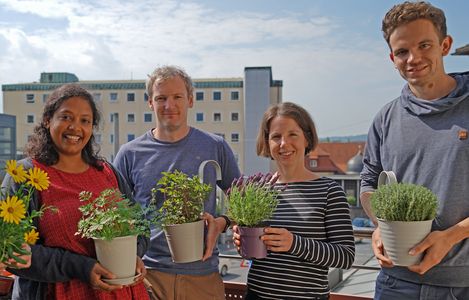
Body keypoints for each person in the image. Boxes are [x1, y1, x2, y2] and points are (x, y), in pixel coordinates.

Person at [360, 2, 469, 299]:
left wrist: (451, 236)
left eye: (424, 45)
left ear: (445, 45)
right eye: (402, 51)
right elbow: (369, 183)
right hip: (395, 283)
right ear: (392, 58)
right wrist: (380, 225)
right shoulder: (385, 118)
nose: (413, 58)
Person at [2, 84, 149, 300]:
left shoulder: (108, 173)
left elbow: (141, 228)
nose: (75, 127)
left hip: (123, 292)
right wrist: (81, 267)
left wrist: (132, 254)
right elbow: (10, 249)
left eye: (85, 121)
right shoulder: (25, 175)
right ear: (47, 120)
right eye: (66, 117)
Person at [114, 65, 241, 300]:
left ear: (190, 100)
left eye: (177, 97)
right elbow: (115, 213)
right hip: (147, 276)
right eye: (161, 98)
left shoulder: (215, 147)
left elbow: (243, 201)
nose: (169, 105)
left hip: (202, 277)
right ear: (150, 102)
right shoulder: (129, 153)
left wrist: (223, 222)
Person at [233, 102, 355, 299]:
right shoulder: (258, 191)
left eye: (292, 135)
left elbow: (346, 256)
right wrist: (242, 244)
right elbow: (255, 254)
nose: (284, 144)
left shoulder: (329, 191)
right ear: (267, 143)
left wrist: (294, 243)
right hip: (257, 295)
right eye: (276, 137)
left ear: (306, 139)